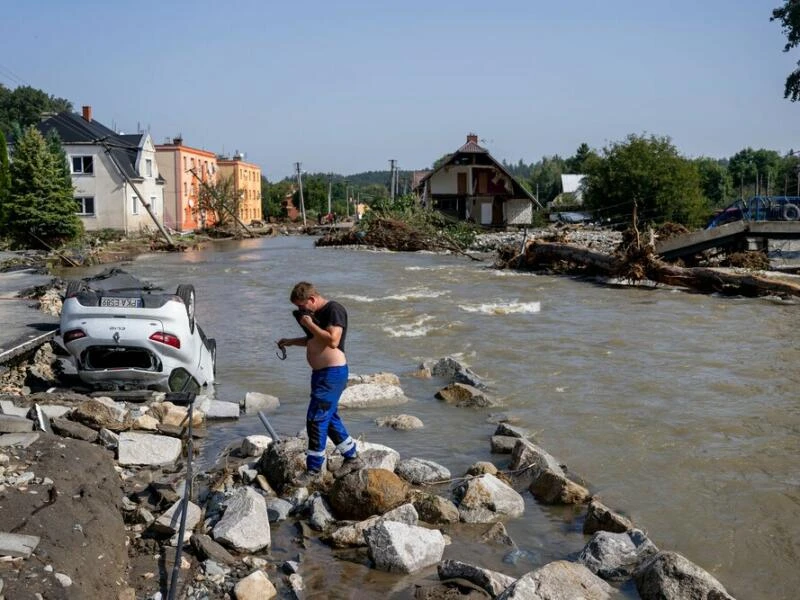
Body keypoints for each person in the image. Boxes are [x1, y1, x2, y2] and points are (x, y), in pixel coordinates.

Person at [277, 282, 363, 485]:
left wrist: (309, 324)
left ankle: (314, 469)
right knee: (329, 418)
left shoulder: (334, 309)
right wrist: (290, 341)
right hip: (321, 375)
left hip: (332, 374)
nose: (300, 311)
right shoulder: (313, 317)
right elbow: (313, 340)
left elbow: (332, 340)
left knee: (315, 419)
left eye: (302, 306)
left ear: (312, 300)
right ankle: (352, 458)